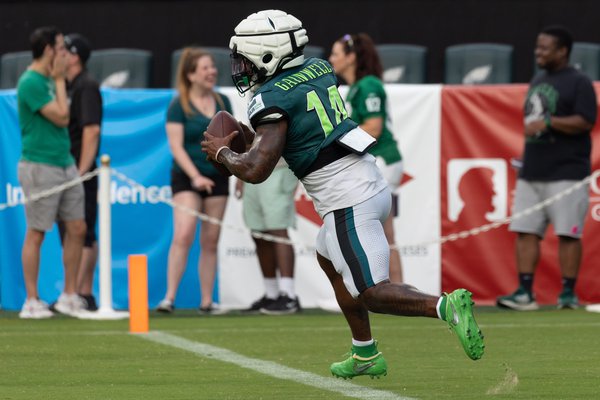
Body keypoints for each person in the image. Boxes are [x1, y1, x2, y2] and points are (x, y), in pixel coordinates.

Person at [202, 9, 484, 378]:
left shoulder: (269, 98)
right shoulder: (318, 68)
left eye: (245, 58)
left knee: (372, 291)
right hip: (366, 182)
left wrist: (223, 152)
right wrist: (250, 138)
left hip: (348, 200)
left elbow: (257, 169)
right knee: (328, 258)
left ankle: (446, 307)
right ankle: (365, 354)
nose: (241, 68)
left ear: (267, 53)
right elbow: (293, 134)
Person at [497, 26, 597, 311]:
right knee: (525, 231)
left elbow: (586, 121)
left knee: (568, 233)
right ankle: (525, 293)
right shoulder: (538, 79)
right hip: (532, 171)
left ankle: (567, 294)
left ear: (562, 50)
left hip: (567, 170)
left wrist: (550, 123)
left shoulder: (579, 82)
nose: (538, 53)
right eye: (537, 47)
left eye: (544, 48)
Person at [17, 26, 87, 318]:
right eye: (60, 48)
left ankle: (69, 295)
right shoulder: (32, 81)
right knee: (37, 233)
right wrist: (59, 79)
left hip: (65, 162)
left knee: (77, 228)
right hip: (39, 164)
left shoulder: (49, 80)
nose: (65, 54)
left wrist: (58, 79)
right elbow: (61, 117)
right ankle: (31, 300)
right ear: (48, 50)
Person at [156, 47, 232, 314]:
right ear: (190, 75)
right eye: (205, 68)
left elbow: (234, 141)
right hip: (187, 178)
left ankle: (206, 301)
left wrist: (241, 169)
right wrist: (195, 176)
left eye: (212, 67)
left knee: (211, 240)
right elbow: (176, 147)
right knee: (184, 233)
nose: (212, 72)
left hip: (219, 177)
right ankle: (169, 297)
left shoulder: (223, 102)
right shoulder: (179, 105)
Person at [329, 33, 404, 283]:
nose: (331, 60)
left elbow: (373, 127)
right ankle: (395, 289)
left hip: (382, 159)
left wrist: (334, 144)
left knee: (382, 233)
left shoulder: (369, 85)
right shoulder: (356, 89)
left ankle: (393, 290)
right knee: (384, 232)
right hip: (375, 160)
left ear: (351, 58)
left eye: (336, 54)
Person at [56, 33, 102, 311]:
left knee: (82, 231)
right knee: (72, 232)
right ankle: (78, 293)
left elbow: (91, 130)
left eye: (65, 51)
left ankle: (82, 293)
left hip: (79, 171)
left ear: (74, 56)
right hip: (67, 169)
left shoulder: (86, 86)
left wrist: (82, 171)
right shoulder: (65, 85)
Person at [236, 158, 301, 315]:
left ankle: (288, 295)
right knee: (258, 233)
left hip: (278, 169)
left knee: (278, 231)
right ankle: (271, 294)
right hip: (251, 170)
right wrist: (240, 176)